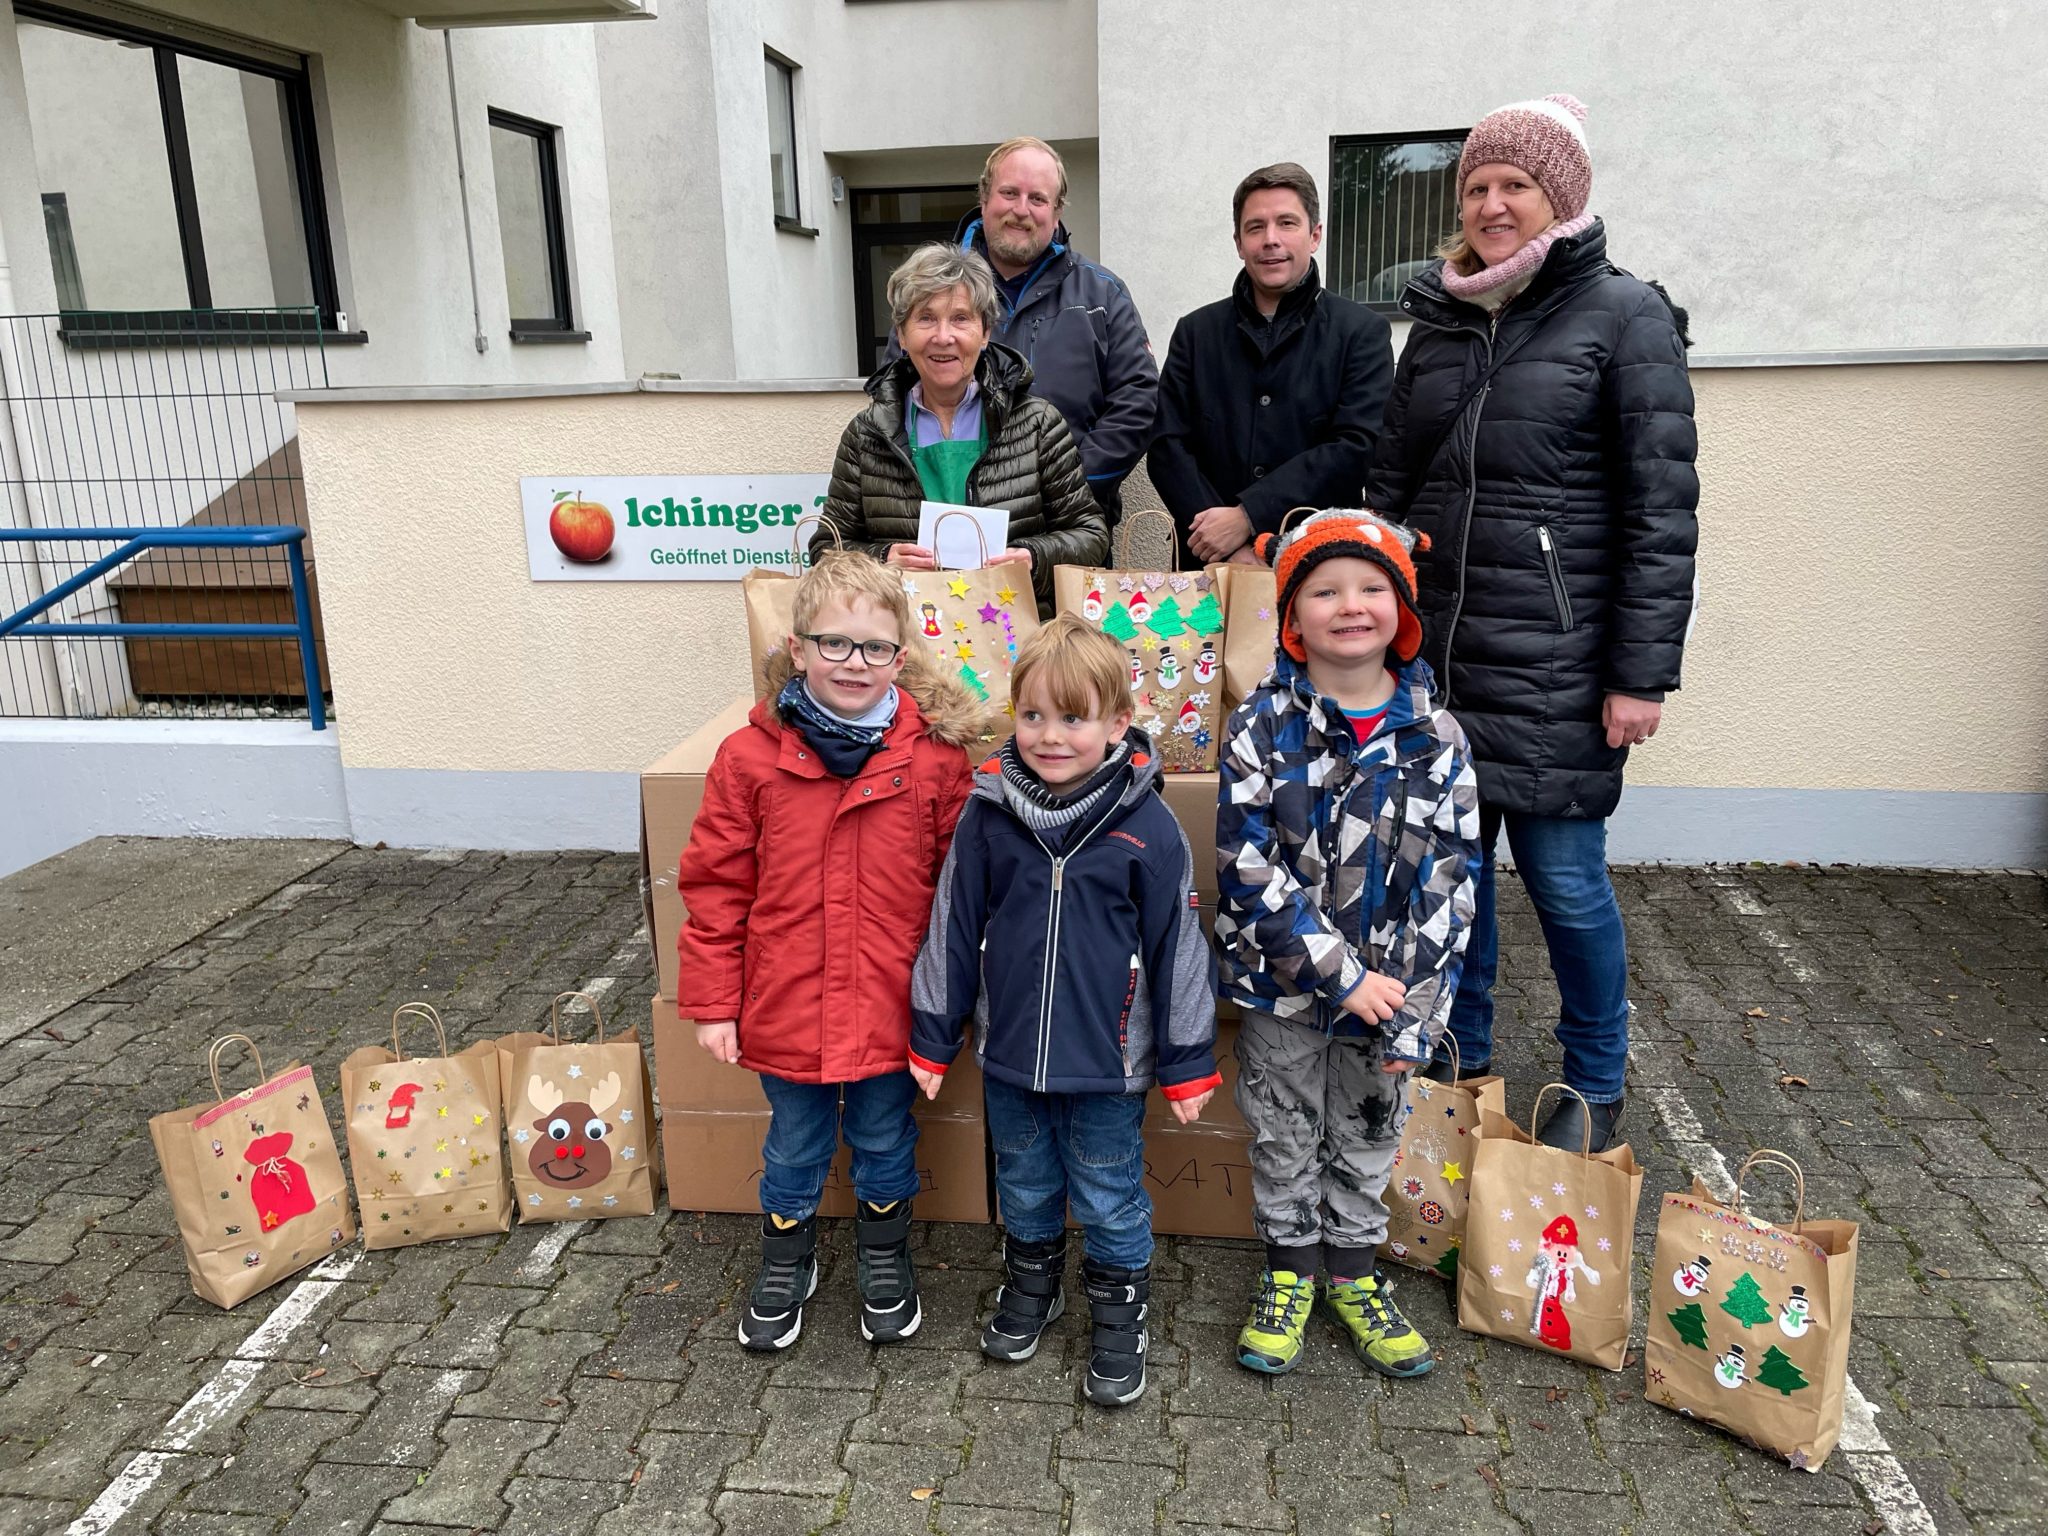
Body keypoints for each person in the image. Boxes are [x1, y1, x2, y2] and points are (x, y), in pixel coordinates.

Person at [1362, 95, 1699, 1154]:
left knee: (1561, 881)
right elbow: (1389, 478)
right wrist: (1364, 605)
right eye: (1475, 187)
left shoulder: (1621, 314)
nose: (1491, 204)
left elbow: (1660, 509)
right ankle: (1463, 1066)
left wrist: (1638, 673)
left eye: (1513, 185)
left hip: (1557, 662)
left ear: (1559, 196)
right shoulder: (1442, 321)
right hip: (1438, 660)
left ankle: (1594, 1080)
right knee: (1451, 885)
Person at [675, 550, 983, 1352]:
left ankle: (885, 1255)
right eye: (835, 644)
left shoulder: (937, 762)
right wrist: (713, 1001)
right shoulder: (749, 761)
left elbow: (962, 897)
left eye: (875, 647)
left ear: (901, 657)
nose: (855, 663)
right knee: (794, 1141)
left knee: (886, 1137)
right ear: (799, 648)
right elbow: (715, 886)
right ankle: (788, 1258)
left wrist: (956, 1004)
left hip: (892, 1006)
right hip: (787, 1002)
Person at [908, 617, 1219, 1406]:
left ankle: (1120, 1314)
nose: (1051, 736)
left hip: (1108, 1067)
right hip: (1010, 1054)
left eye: (1074, 718)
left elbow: (1181, 947)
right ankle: (1032, 1287)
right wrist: (934, 1034)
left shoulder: (1149, 827)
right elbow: (951, 924)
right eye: (1034, 715)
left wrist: (1187, 1062)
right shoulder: (988, 816)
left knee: (1109, 1190)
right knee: (1024, 1181)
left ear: (1118, 724)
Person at [1213, 510, 1481, 1379]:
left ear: (1402, 612)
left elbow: (1454, 877)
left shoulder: (1437, 740)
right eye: (1325, 590)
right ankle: (1290, 1273)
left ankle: (1356, 1275)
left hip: (1394, 996)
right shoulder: (1259, 725)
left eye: (1372, 589)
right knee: (1284, 1128)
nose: (1350, 606)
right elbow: (1247, 866)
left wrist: (1407, 1007)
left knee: (1368, 1128)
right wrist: (1338, 976)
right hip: (1284, 989)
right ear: (1293, 617)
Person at [814, 242, 1109, 617]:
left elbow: (1090, 535)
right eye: (925, 318)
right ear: (902, 336)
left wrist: (1033, 558)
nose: (943, 336)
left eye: (960, 318)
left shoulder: (1037, 424)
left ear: (985, 333)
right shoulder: (867, 435)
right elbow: (826, 547)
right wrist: (882, 559)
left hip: (1014, 637)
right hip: (906, 644)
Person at [1148, 163, 1395, 568]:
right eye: (1256, 227)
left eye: (1287, 223)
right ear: (1238, 242)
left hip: (1318, 561)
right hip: (1207, 560)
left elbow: (1356, 447)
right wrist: (1223, 541)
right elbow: (1167, 446)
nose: (1271, 240)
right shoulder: (1196, 333)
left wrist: (1247, 516)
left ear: (1315, 235)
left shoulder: (1361, 333)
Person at [949, 136, 1158, 520]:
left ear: (1057, 211)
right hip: (959, 520)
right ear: (984, 199)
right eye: (1009, 193)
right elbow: (897, 394)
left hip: (1071, 523)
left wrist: (1068, 487)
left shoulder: (1103, 294)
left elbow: (1138, 402)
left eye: (1038, 199)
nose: (1021, 210)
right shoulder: (936, 289)